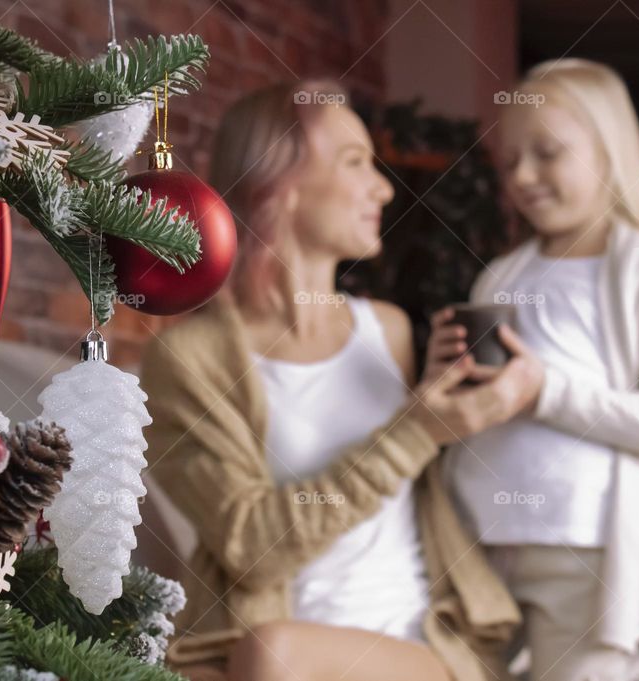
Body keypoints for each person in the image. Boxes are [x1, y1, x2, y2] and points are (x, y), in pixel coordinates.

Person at [140, 79, 541, 681]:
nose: (382, 188)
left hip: (415, 644)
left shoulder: (391, 331)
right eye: (356, 163)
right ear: (279, 184)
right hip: (265, 647)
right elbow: (252, 548)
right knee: (263, 654)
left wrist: (484, 406)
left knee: (275, 655)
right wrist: (414, 432)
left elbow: (427, 475)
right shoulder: (188, 360)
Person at [428, 59, 639, 681]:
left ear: (609, 151)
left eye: (548, 153)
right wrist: (446, 381)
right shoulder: (502, 274)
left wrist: (545, 390)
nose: (523, 177)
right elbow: (478, 409)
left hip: (583, 549)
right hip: (481, 541)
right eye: (511, 162)